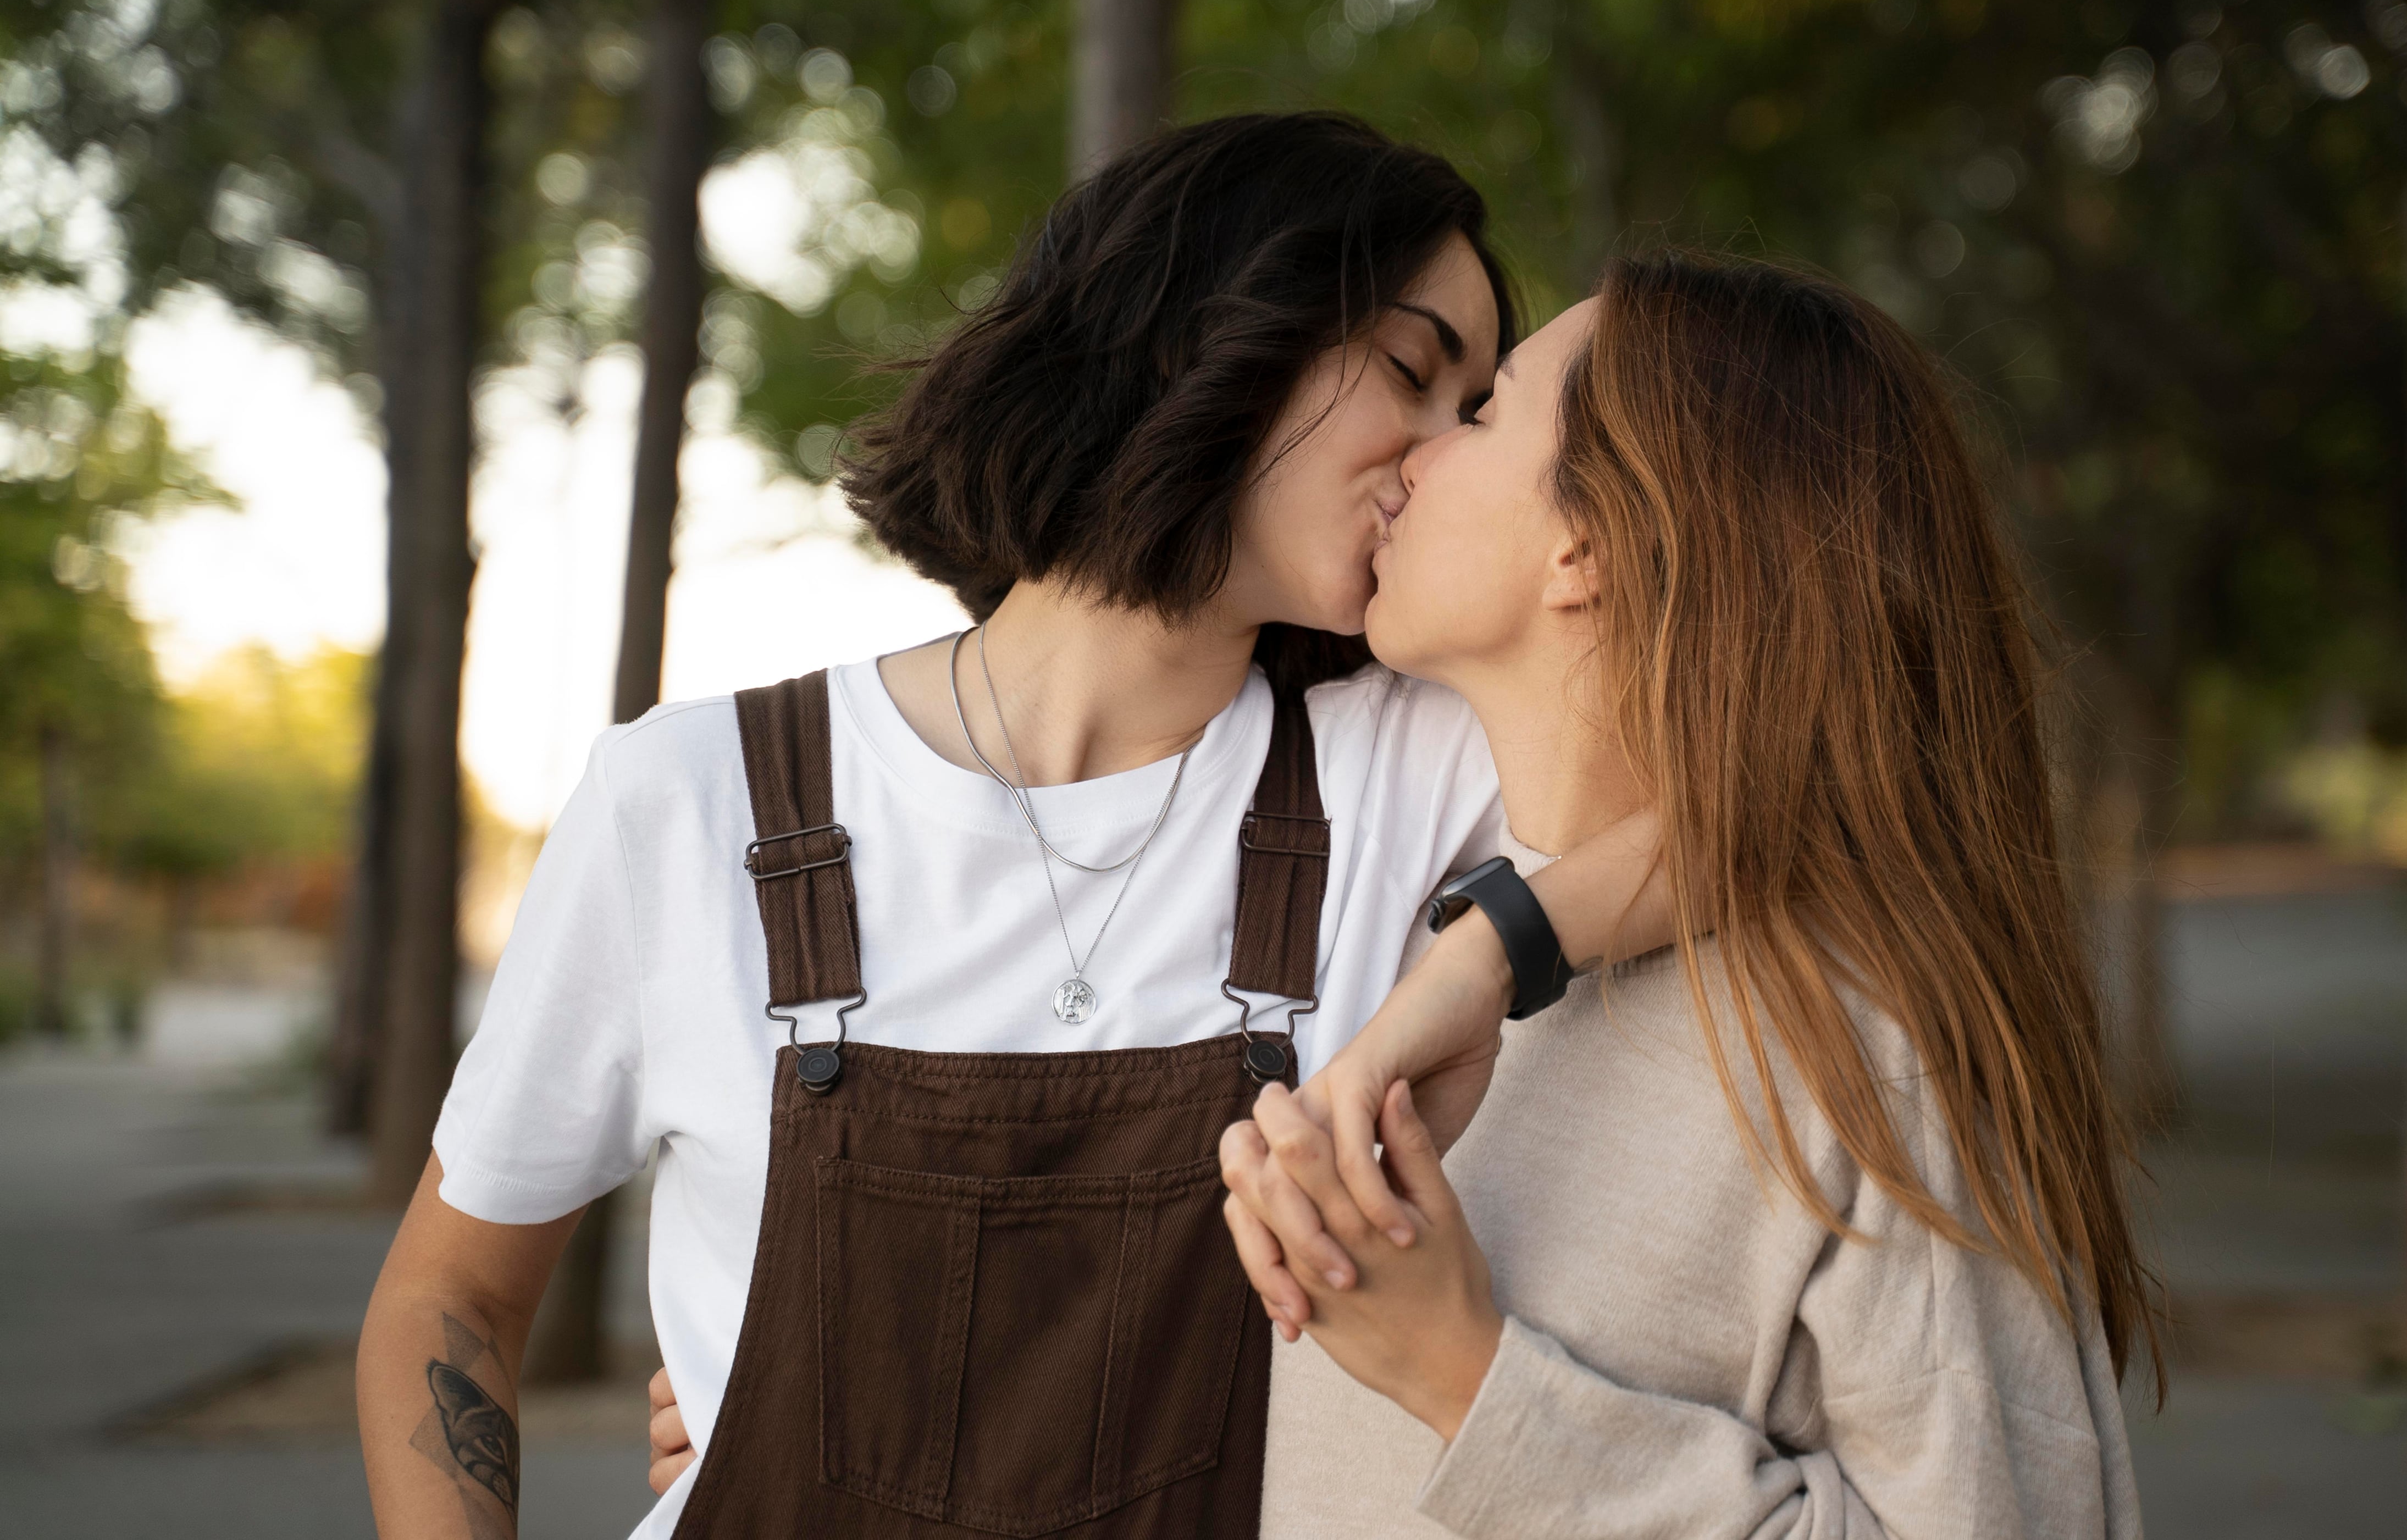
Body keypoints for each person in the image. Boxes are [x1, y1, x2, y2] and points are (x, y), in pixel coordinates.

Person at [355, 113, 1663, 1540]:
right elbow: (451, 1294)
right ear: (1205, 324)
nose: (1433, 456)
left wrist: (1486, 957)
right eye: (1415, 371)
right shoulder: (692, 798)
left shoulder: (1412, 773)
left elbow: (1795, 814)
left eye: (1475, 412)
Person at [1220, 250, 2157, 1538]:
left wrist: (1465, 1377)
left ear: (1587, 545)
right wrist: (1492, 950)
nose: (1419, 450)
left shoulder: (1864, 1051)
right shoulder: (1411, 911)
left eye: (1485, 411)